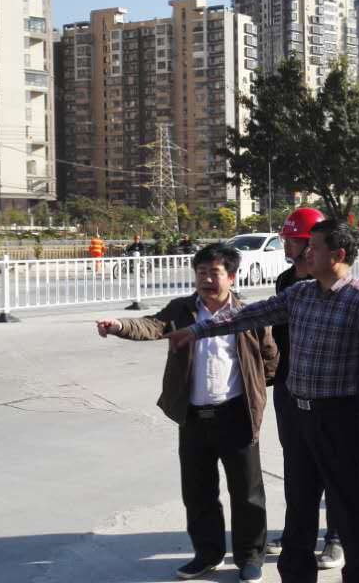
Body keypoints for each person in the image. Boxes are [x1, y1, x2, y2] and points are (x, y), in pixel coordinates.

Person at [167, 220, 359, 583]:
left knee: (349, 504)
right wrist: (198, 330)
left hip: (339, 419)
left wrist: (348, 401)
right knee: (299, 504)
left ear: (337, 255)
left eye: (314, 248)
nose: (306, 253)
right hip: (300, 417)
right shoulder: (300, 293)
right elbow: (249, 315)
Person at [95, 243, 277, 582]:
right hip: (193, 417)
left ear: (232, 277)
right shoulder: (182, 309)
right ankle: (207, 554)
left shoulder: (248, 314)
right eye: (201, 273)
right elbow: (151, 325)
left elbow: (270, 358)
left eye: (214, 273)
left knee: (248, 493)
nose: (206, 279)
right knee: (197, 491)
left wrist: (254, 392)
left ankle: (250, 556)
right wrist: (118, 325)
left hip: (236, 415)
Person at [266, 207, 345, 570]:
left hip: (324, 388)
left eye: (294, 241)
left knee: (329, 464)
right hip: (289, 384)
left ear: (312, 244)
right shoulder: (285, 281)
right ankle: (297, 531)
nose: (288, 247)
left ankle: (336, 538)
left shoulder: (331, 283)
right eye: (287, 240)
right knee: (295, 464)